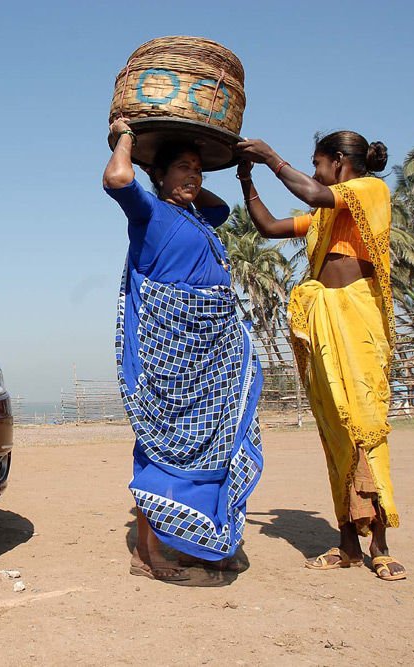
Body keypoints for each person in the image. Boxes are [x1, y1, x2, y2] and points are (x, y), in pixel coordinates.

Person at [236, 131, 406, 581]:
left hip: (358, 317)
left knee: (366, 427)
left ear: (339, 162)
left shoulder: (369, 190)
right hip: (324, 323)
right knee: (335, 434)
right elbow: (269, 227)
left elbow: (314, 191)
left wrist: (271, 157)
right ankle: (348, 543)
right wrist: (245, 178)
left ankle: (381, 543)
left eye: (317, 163)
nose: (314, 173)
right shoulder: (323, 219)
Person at [104, 118, 263, 581]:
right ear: (158, 175)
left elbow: (223, 209)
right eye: (183, 169)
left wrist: (199, 170)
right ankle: (155, 554)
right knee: (168, 448)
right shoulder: (148, 211)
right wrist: (129, 141)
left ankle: (197, 541)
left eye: (198, 169)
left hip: (212, 353)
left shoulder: (196, 215)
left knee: (214, 446)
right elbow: (116, 178)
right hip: (172, 353)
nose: (194, 177)